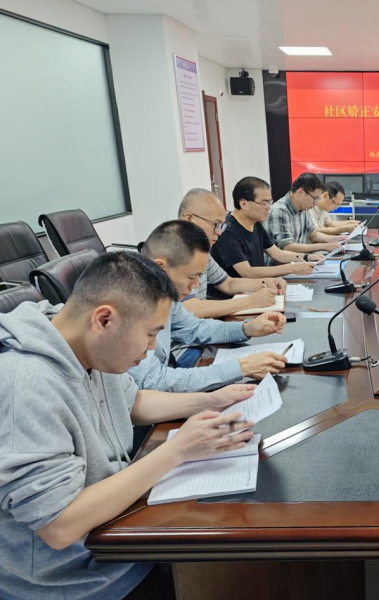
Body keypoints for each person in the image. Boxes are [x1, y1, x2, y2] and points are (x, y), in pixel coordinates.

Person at [0, 252, 256, 600]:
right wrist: (178, 450)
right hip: (78, 582)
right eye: (150, 334)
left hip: (122, 541)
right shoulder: (25, 385)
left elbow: (132, 402)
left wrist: (210, 400)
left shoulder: (85, 344)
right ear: (103, 319)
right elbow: (59, 525)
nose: (151, 348)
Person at [128, 220, 288, 392]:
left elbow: (195, 328)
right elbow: (153, 381)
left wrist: (247, 329)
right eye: (191, 277)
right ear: (161, 267)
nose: (196, 285)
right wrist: (242, 368)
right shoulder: (129, 303)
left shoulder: (163, 292)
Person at [177, 188, 286, 318]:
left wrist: (266, 282)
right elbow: (191, 308)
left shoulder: (201, 252)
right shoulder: (173, 253)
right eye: (215, 224)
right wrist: (250, 301)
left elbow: (228, 284)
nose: (219, 232)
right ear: (189, 219)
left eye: (221, 226)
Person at [211, 176, 323, 279]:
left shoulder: (256, 223)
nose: (269, 207)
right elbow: (247, 272)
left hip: (258, 286)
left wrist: (306, 257)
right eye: (264, 203)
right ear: (243, 204)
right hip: (238, 292)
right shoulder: (227, 231)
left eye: (270, 202)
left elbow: (277, 254)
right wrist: (292, 268)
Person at [265, 172, 348, 262]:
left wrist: (335, 239)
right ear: (300, 192)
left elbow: (313, 234)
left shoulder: (304, 208)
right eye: (315, 198)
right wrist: (324, 246)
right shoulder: (280, 210)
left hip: (298, 262)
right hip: (281, 266)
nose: (316, 203)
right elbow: (287, 246)